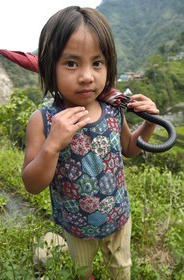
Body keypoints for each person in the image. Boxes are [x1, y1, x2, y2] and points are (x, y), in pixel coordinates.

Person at [21, 6, 159, 280]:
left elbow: (129, 149)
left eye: (97, 63)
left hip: (118, 218)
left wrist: (149, 122)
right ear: (50, 66)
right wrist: (52, 146)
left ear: (108, 65)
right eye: (71, 63)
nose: (87, 76)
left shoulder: (111, 109)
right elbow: (32, 184)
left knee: (121, 271)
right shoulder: (44, 120)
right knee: (81, 272)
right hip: (76, 227)